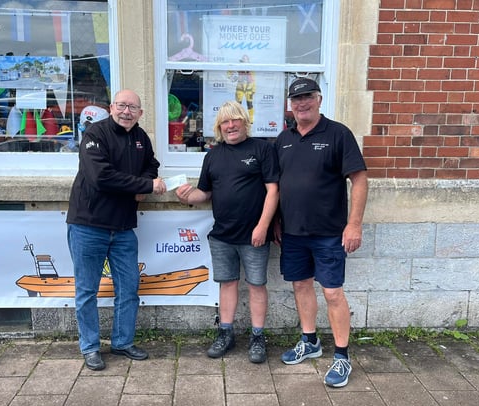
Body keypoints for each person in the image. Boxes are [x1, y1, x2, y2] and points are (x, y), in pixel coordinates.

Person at [275, 78, 368, 387]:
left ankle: (342, 356)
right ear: (290, 104)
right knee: (301, 286)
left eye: (307, 97)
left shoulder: (338, 134)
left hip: (329, 233)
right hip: (292, 233)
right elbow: (277, 187)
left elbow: (359, 179)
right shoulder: (283, 139)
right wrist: (276, 222)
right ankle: (310, 341)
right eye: (296, 98)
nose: (302, 103)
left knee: (331, 292)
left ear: (319, 99)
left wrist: (353, 224)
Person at [66, 89, 167, 371]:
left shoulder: (141, 138)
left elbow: (152, 165)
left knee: (129, 288)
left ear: (140, 113)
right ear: (112, 107)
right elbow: (101, 177)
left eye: (132, 107)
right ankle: (90, 347)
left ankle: (123, 342)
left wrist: (145, 181)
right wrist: (145, 186)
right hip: (89, 225)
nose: (126, 111)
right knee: (87, 291)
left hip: (123, 228)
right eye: (122, 105)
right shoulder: (95, 134)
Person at [176, 101, 279, 363]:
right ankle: (226, 332)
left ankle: (257, 337)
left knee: (257, 285)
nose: (230, 125)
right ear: (219, 127)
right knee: (227, 284)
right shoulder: (213, 155)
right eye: (225, 122)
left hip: (254, 235)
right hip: (222, 235)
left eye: (235, 120)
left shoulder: (262, 149)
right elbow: (205, 193)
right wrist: (186, 196)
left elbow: (273, 190)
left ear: (245, 122)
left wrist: (263, 225)